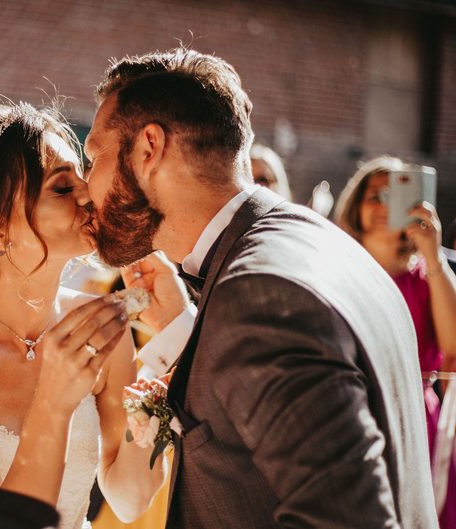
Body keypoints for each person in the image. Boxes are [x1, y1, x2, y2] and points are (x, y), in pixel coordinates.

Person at [84, 47, 436, 528]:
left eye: (94, 157)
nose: (86, 185)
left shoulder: (260, 295)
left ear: (149, 149)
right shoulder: (320, 243)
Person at [0, 102, 167, 529]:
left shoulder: (100, 328)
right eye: (61, 188)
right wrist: (53, 402)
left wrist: (158, 388)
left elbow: (129, 498)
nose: (88, 194)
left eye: (81, 176)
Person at [335, 156, 456, 526]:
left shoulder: (427, 276)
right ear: (356, 206)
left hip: (415, 420)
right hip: (350, 412)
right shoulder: (335, 268)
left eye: (395, 195)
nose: (384, 205)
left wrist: (433, 255)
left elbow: (453, 344)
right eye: (374, 196)